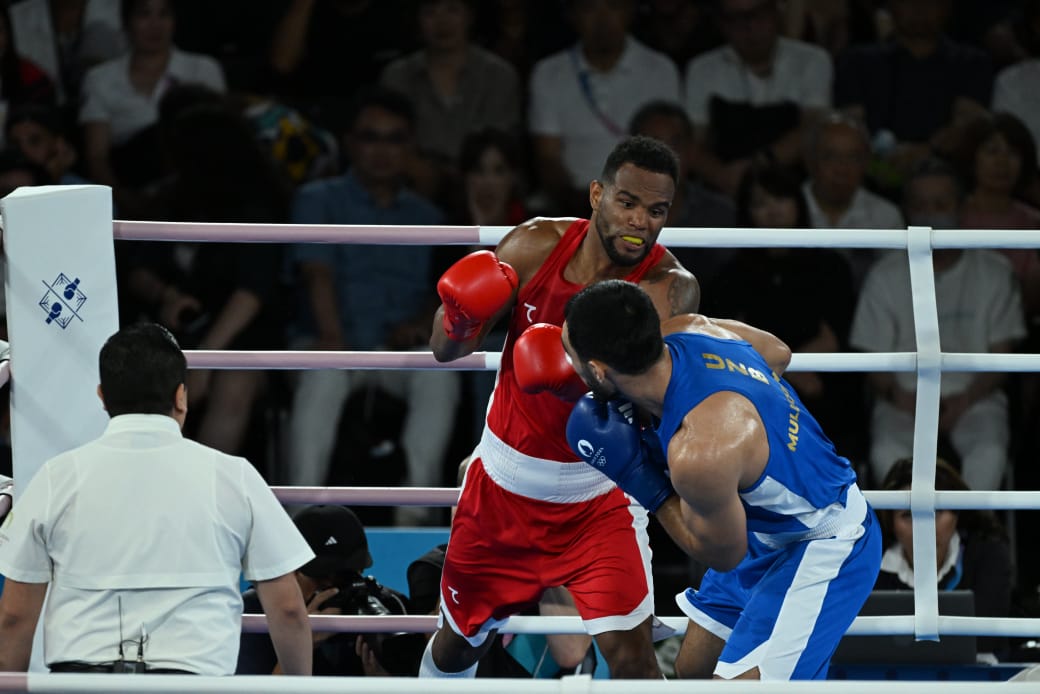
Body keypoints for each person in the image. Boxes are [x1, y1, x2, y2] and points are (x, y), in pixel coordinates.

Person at [421, 135, 700, 679]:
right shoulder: (533, 247)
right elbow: (444, 350)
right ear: (597, 194)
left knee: (634, 660)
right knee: (458, 646)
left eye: (657, 210)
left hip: (597, 499)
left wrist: (573, 373)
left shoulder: (669, 289)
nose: (640, 221)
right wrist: (460, 317)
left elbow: (653, 394)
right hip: (501, 492)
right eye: (628, 202)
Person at [561, 279, 882, 680]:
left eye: (570, 356)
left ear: (597, 369)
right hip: (762, 529)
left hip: (823, 542)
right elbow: (777, 354)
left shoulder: (700, 452)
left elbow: (722, 555)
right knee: (691, 668)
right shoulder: (688, 328)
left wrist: (639, 477)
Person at [0, 323, 313, 675]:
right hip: (194, 684)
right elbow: (287, 608)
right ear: (181, 396)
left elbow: (14, 618)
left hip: (80, 684)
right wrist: (298, 687)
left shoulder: (55, 477)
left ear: (102, 396)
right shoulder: (233, 476)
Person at [285, 87, 460, 525]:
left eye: (395, 139)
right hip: (331, 342)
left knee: (439, 370)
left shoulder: (428, 216)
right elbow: (316, 274)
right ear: (350, 144)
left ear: (411, 147)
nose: (382, 150)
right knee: (324, 373)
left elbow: (440, 293)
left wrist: (421, 324)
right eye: (371, 137)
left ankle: (413, 516)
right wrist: (334, 341)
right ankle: (301, 516)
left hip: (395, 351)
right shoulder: (318, 199)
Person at [849, 157, 1027, 490]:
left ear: (961, 209)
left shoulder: (995, 270)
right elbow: (873, 362)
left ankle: (970, 541)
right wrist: (904, 397)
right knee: (887, 452)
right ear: (906, 211)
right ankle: (910, 543)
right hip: (902, 398)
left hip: (977, 397)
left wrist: (966, 400)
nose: (931, 213)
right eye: (920, 205)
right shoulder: (884, 274)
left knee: (988, 453)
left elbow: (1003, 353)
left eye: (941, 204)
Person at [237, 504, 421, 677]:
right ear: (291, 571)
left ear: (362, 571)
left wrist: (388, 685)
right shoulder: (255, 615)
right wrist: (300, 642)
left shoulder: (390, 610)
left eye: (347, 577)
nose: (334, 589)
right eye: (320, 577)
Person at [874, 457, 1013, 660]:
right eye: (907, 515)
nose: (923, 527)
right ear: (890, 523)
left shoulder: (988, 554)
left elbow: (987, 642)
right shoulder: (871, 565)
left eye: (936, 512)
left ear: (957, 514)